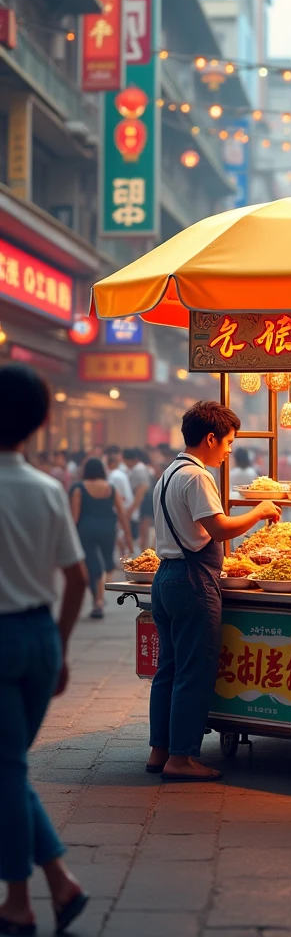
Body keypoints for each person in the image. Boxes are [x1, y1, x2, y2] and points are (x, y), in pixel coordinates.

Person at [147, 401, 282, 781]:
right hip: (192, 581)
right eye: (228, 443)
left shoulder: (168, 474)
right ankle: (181, 758)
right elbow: (220, 528)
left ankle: (160, 750)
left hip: (166, 577)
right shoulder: (197, 476)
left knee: (169, 670)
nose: (228, 451)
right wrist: (260, 510)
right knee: (194, 670)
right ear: (210, 438)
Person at [0, 364, 89, 935]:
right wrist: (57, 648)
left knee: (6, 772)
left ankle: (20, 902)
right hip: (37, 639)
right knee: (8, 769)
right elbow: (78, 578)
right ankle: (56, 882)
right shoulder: (48, 488)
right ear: (41, 423)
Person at [70, 458, 132, 619]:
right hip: (107, 530)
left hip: (86, 530)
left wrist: (69, 537)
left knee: (91, 565)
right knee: (106, 563)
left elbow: (74, 517)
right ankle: (100, 597)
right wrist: (127, 535)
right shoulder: (111, 488)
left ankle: (97, 600)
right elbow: (122, 513)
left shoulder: (78, 488)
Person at [123, 448, 153, 550]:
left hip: (145, 501)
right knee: (144, 531)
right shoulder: (139, 468)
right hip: (144, 500)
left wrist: (131, 508)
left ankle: (144, 553)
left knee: (143, 530)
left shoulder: (139, 469)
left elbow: (142, 489)